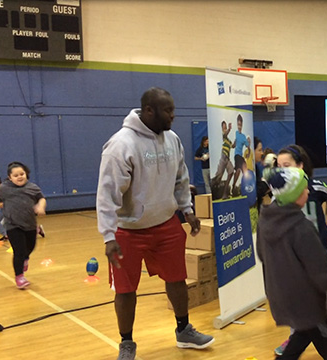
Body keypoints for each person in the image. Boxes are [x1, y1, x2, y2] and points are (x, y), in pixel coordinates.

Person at [96, 87, 214, 360]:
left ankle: (184, 330)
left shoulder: (172, 139)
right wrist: (108, 236)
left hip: (165, 224)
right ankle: (127, 343)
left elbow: (181, 177)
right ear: (149, 111)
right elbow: (107, 193)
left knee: (177, 279)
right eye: (168, 111)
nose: (173, 115)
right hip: (128, 231)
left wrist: (187, 209)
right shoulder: (121, 144)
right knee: (126, 290)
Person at [257, 167, 327, 360]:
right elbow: (318, 273)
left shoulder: (264, 220)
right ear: (294, 195)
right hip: (305, 302)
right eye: (304, 189)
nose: (308, 192)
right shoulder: (303, 228)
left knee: (301, 337)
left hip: (279, 296)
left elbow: (262, 255)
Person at [275, 145, 327, 356]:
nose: (282, 170)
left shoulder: (317, 187)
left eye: (287, 165)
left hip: (318, 252)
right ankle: (296, 338)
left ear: (300, 166)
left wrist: (325, 221)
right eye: (279, 166)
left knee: (325, 296)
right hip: (295, 258)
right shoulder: (280, 196)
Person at [0, 162, 46, 289]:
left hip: (30, 224)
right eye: (15, 175)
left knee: (30, 247)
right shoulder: (5, 188)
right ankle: (19, 277)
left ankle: (26, 258)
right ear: (10, 177)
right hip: (13, 225)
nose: (19, 177)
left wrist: (40, 206)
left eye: (22, 174)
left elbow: (41, 198)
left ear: (26, 174)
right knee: (18, 251)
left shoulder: (32, 187)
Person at [211, 120, 235, 199]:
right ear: (222, 129)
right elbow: (225, 134)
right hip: (223, 158)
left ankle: (225, 194)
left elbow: (233, 146)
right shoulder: (224, 136)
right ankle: (213, 190)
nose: (225, 129)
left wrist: (237, 140)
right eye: (224, 127)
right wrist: (229, 129)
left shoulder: (228, 141)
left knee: (231, 172)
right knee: (218, 177)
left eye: (226, 127)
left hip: (227, 159)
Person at [232, 114, 249, 196]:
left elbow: (248, 146)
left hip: (241, 156)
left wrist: (248, 153)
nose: (239, 126)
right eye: (238, 124)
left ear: (242, 125)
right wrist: (232, 145)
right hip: (236, 155)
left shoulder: (243, 136)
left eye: (240, 124)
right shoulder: (236, 133)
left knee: (245, 170)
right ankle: (233, 186)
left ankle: (244, 187)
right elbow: (234, 144)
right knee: (238, 170)